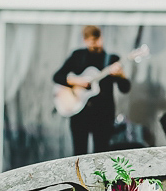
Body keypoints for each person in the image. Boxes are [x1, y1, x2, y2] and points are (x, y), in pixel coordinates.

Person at [52, 25, 130, 155]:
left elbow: (125, 88)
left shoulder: (111, 60)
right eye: (91, 41)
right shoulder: (78, 56)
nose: (95, 44)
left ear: (101, 38)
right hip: (79, 114)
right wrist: (77, 82)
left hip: (103, 115)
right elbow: (57, 76)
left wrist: (121, 75)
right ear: (85, 40)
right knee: (79, 153)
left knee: (101, 155)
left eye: (97, 39)